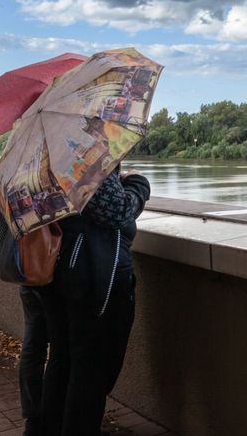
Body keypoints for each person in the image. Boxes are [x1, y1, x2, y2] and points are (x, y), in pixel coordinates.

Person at [40, 167, 151, 435]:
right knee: (91, 371)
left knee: (64, 359)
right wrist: (138, 184)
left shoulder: (41, 146)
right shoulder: (77, 147)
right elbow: (117, 211)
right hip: (93, 276)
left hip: (56, 269)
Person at [18, 286, 48, 435]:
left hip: (29, 278)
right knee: (62, 353)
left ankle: (33, 417)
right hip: (50, 281)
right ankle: (49, 415)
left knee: (33, 348)